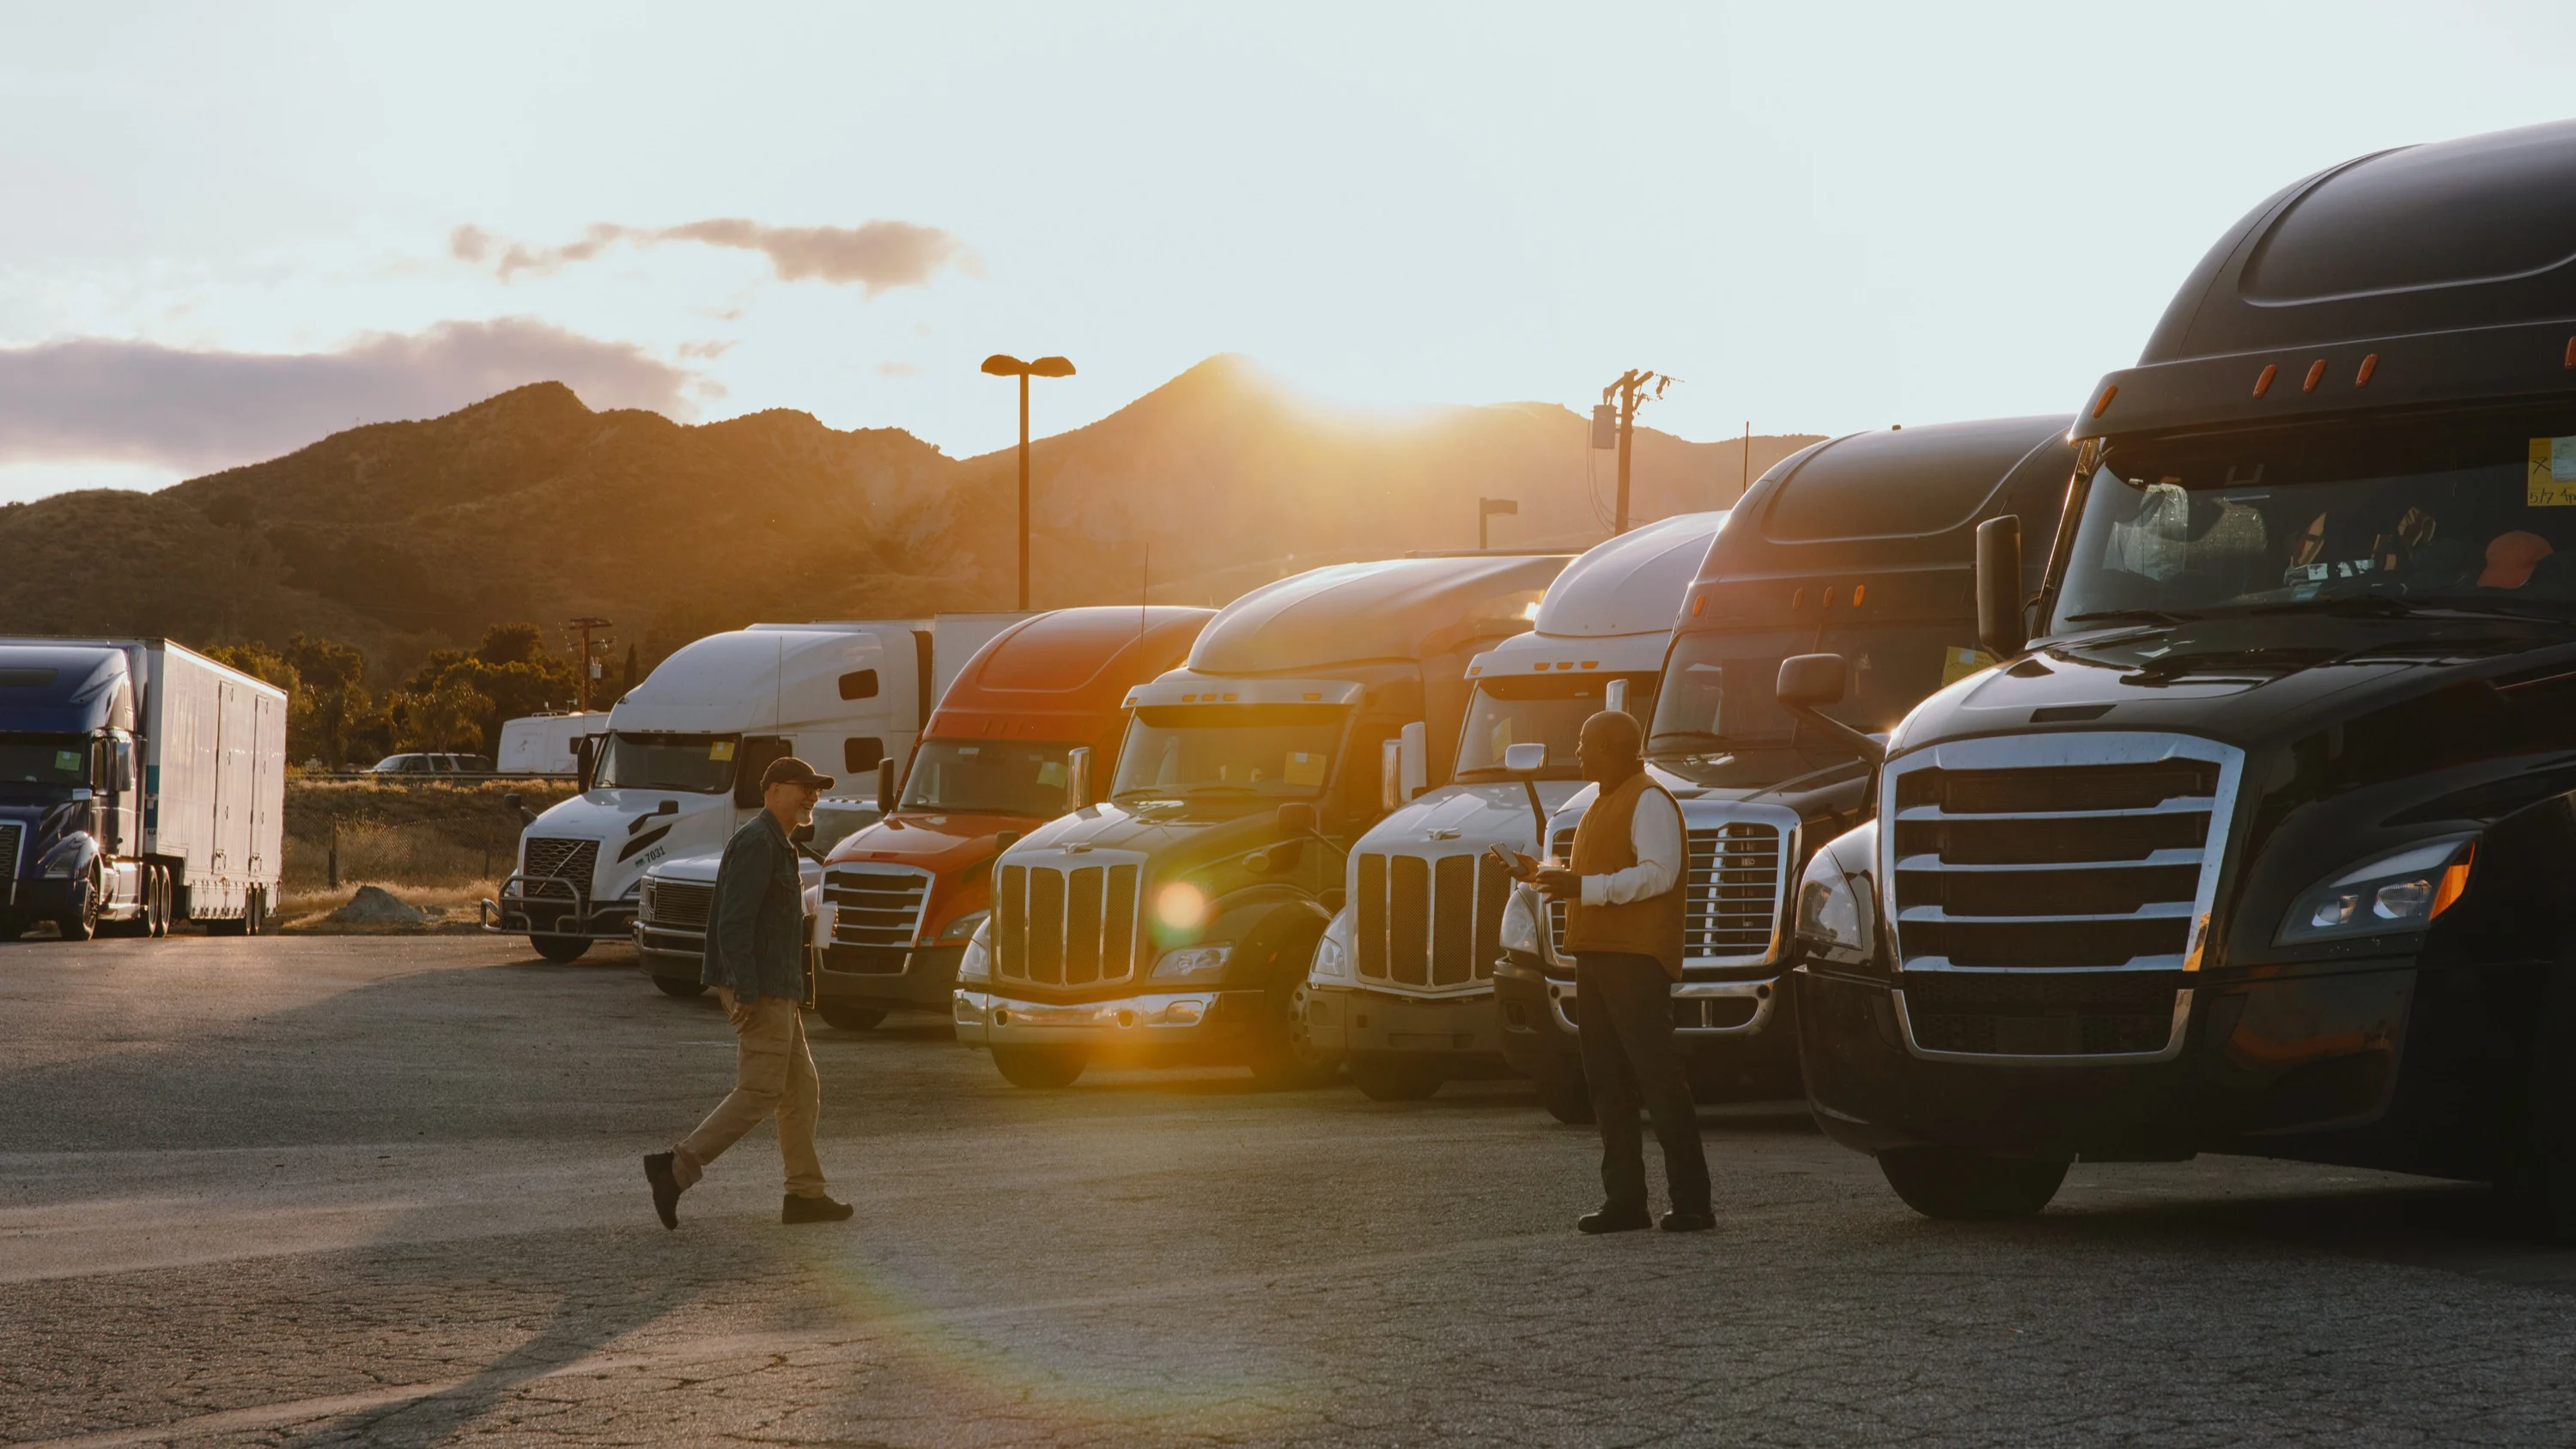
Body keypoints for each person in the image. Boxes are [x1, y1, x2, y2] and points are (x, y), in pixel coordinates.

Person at [645, 756, 854, 1228]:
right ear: (773, 790)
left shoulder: (778, 845)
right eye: (803, 788)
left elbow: (763, 921)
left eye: (815, 790)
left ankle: (804, 1194)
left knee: (800, 1091)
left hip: (778, 987)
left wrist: (808, 926)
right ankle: (674, 1169)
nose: (811, 797)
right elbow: (733, 921)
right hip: (759, 988)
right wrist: (741, 986)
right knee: (761, 1090)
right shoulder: (759, 843)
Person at [1534, 710, 1712, 1234]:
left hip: (1635, 960)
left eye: (1586, 742)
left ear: (1612, 746)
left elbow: (1659, 875)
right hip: (1597, 955)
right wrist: (1544, 876)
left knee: (1658, 1080)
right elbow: (1599, 877)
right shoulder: (1602, 801)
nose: (1579, 750)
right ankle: (1626, 1202)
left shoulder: (1649, 799)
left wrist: (1582, 888)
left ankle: (1693, 1202)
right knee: (1607, 1082)